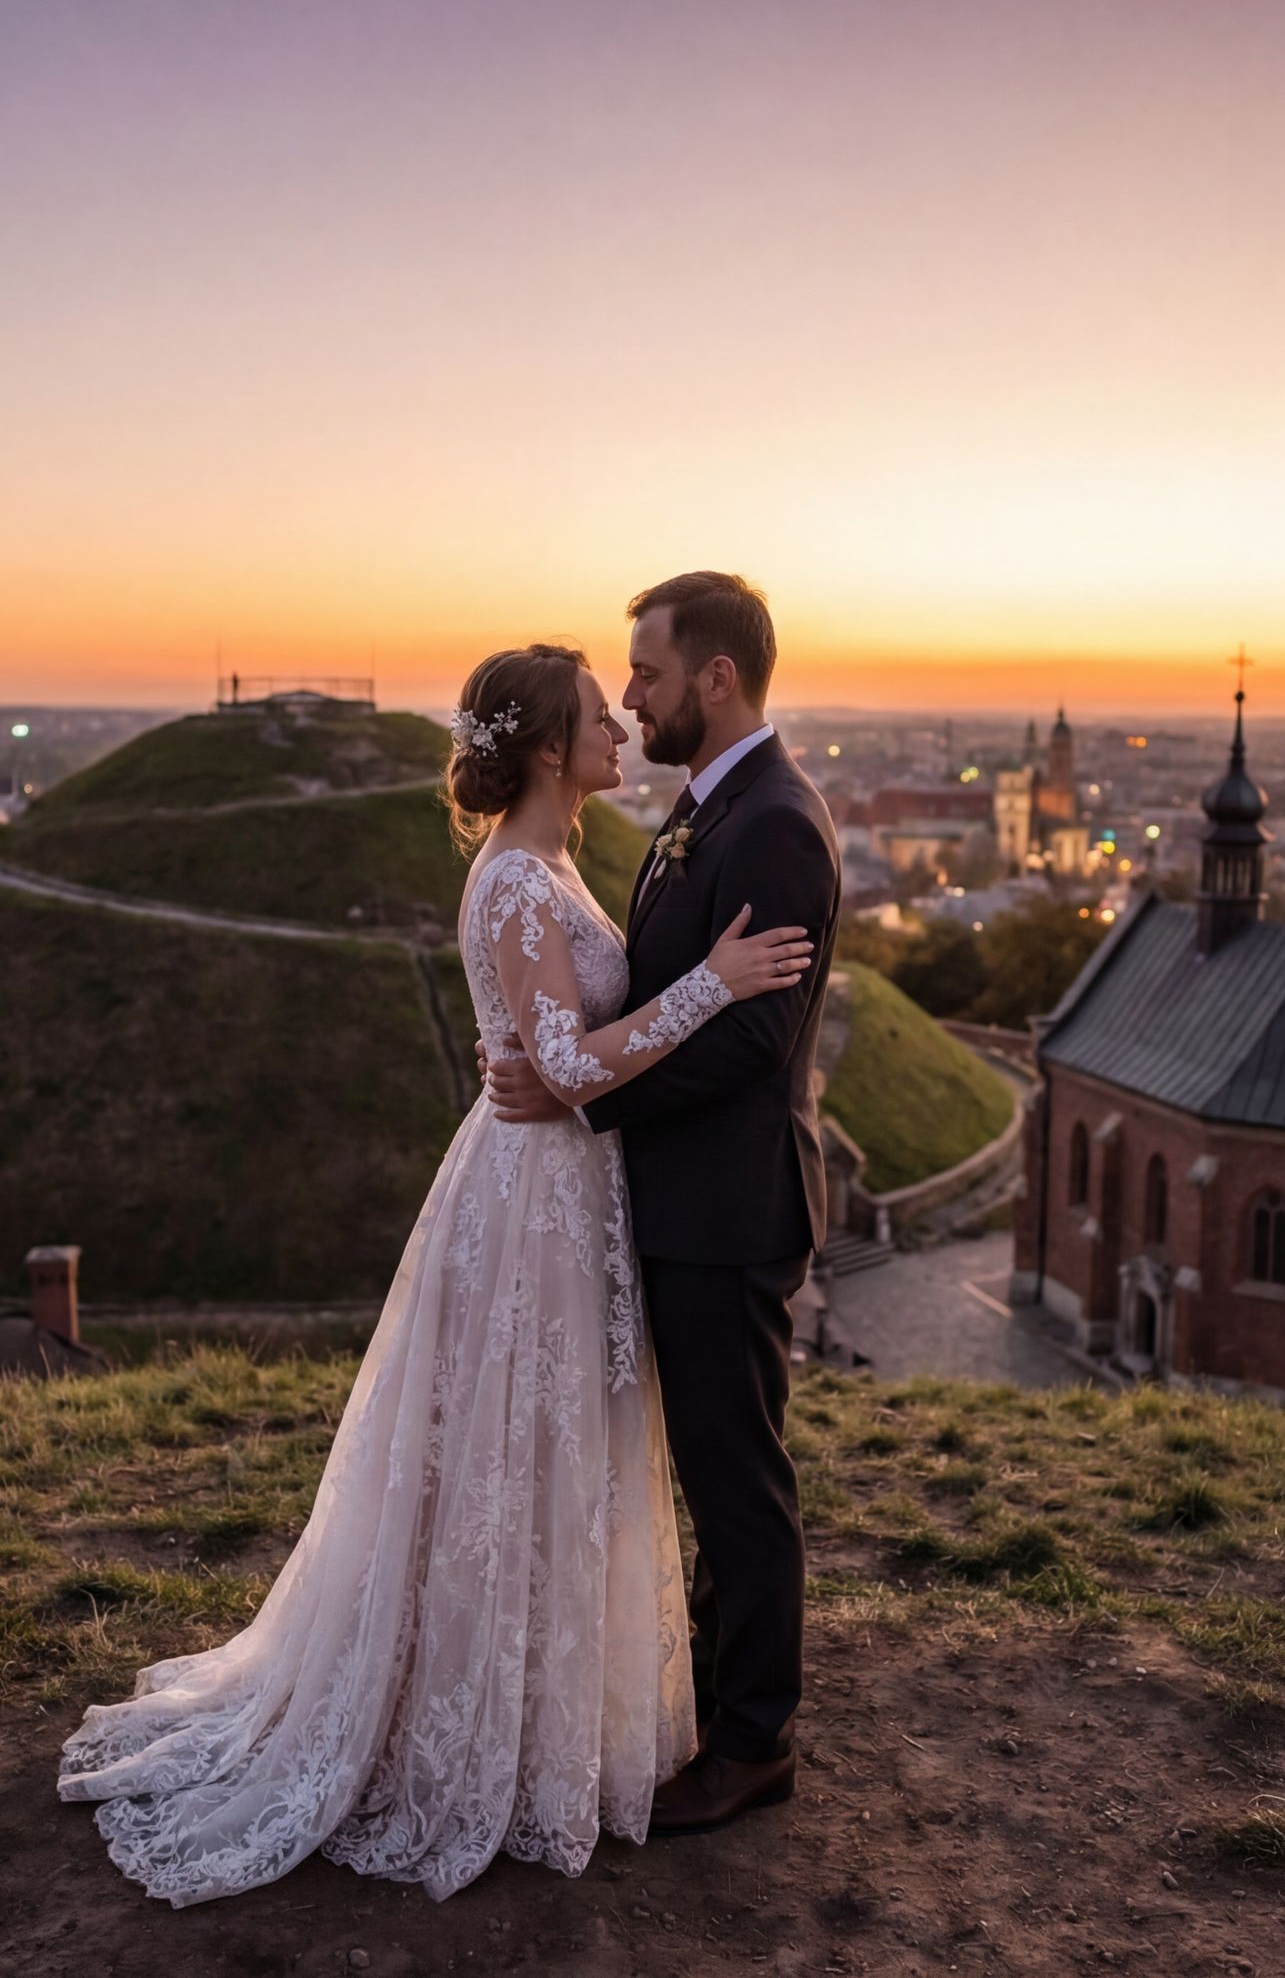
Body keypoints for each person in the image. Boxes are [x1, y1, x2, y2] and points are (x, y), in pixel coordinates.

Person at [56, 637, 815, 1904]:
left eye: (626, 699)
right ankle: (473, 1727)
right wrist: (713, 986)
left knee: (544, 1455)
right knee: (511, 1457)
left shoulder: (557, 861)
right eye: (595, 715)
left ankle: (536, 1714)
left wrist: (571, 1047)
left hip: (566, 1184)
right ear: (544, 749)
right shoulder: (518, 879)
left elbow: (554, 1053)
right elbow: (568, 1070)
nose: (620, 726)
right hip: (533, 1198)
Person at [483, 571, 842, 1835]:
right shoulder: (708, 810)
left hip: (728, 1212)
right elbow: (651, 994)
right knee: (695, 1464)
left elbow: (753, 1042)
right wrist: (566, 1063)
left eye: (644, 671)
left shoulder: (775, 825)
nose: (630, 700)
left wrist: (581, 1093)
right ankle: (701, 1703)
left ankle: (755, 1743)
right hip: (670, 1204)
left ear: (717, 677)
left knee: (735, 1477)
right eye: (615, 686)